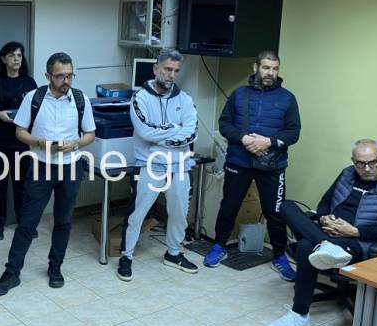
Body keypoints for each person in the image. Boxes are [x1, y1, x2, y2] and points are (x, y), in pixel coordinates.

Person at [267, 139, 377, 326]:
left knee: (306, 246)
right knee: (286, 206)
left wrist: (355, 231)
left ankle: (299, 315)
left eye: (373, 163)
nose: (367, 168)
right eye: (360, 163)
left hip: (357, 242)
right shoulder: (346, 174)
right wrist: (323, 218)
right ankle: (325, 244)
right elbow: (325, 201)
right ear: (353, 161)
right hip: (328, 232)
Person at [0, 52, 96, 296]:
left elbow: (90, 133)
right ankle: (11, 273)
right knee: (28, 222)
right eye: (60, 76)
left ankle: (55, 267)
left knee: (63, 221)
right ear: (48, 76)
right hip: (41, 165)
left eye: (70, 75)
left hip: (71, 166)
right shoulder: (34, 98)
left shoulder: (80, 99)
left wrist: (75, 144)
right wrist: (40, 143)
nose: (66, 80)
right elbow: (20, 131)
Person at [204, 50, 301, 281]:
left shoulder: (287, 98)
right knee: (229, 206)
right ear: (256, 67)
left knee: (275, 212)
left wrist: (268, 142)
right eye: (266, 67)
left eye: (275, 69)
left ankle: (279, 256)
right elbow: (225, 125)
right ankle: (219, 246)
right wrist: (245, 139)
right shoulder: (239, 95)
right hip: (239, 161)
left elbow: (293, 132)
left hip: (273, 165)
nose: (270, 73)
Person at [117, 49, 198, 281]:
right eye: (167, 69)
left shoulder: (185, 100)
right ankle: (126, 256)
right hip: (149, 165)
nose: (171, 75)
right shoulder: (140, 98)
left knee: (179, 213)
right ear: (156, 69)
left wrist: (162, 138)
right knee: (137, 213)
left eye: (176, 71)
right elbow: (145, 131)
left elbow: (191, 132)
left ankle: (173, 253)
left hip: (180, 165)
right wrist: (174, 129)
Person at [0, 41, 37, 240]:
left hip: (22, 143)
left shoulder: (29, 83)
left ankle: (25, 224)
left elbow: (38, 110)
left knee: (23, 187)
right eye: (12, 55)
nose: (16, 59)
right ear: (4, 59)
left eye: (19, 55)